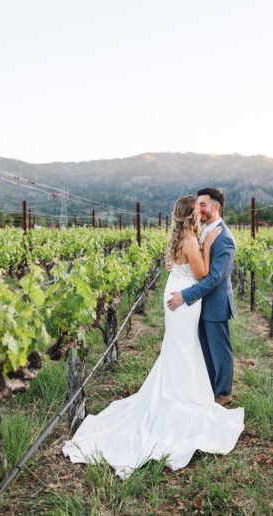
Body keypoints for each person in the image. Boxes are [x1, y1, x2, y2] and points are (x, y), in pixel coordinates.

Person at [62, 195, 244, 478]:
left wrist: (191, 257)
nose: (201, 212)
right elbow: (204, 273)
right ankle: (185, 398)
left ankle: (198, 391)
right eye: (198, 209)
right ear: (192, 216)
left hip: (177, 294)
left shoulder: (179, 237)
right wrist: (205, 247)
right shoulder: (195, 240)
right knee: (184, 349)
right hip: (183, 300)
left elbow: (193, 269)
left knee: (181, 349)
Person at [167, 188, 236, 406]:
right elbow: (190, 260)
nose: (200, 209)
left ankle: (223, 393)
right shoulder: (202, 231)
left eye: (203, 205)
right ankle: (205, 389)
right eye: (198, 206)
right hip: (198, 303)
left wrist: (185, 296)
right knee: (202, 349)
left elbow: (214, 278)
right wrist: (176, 266)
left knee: (219, 351)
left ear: (216, 207)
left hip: (214, 303)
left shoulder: (224, 238)